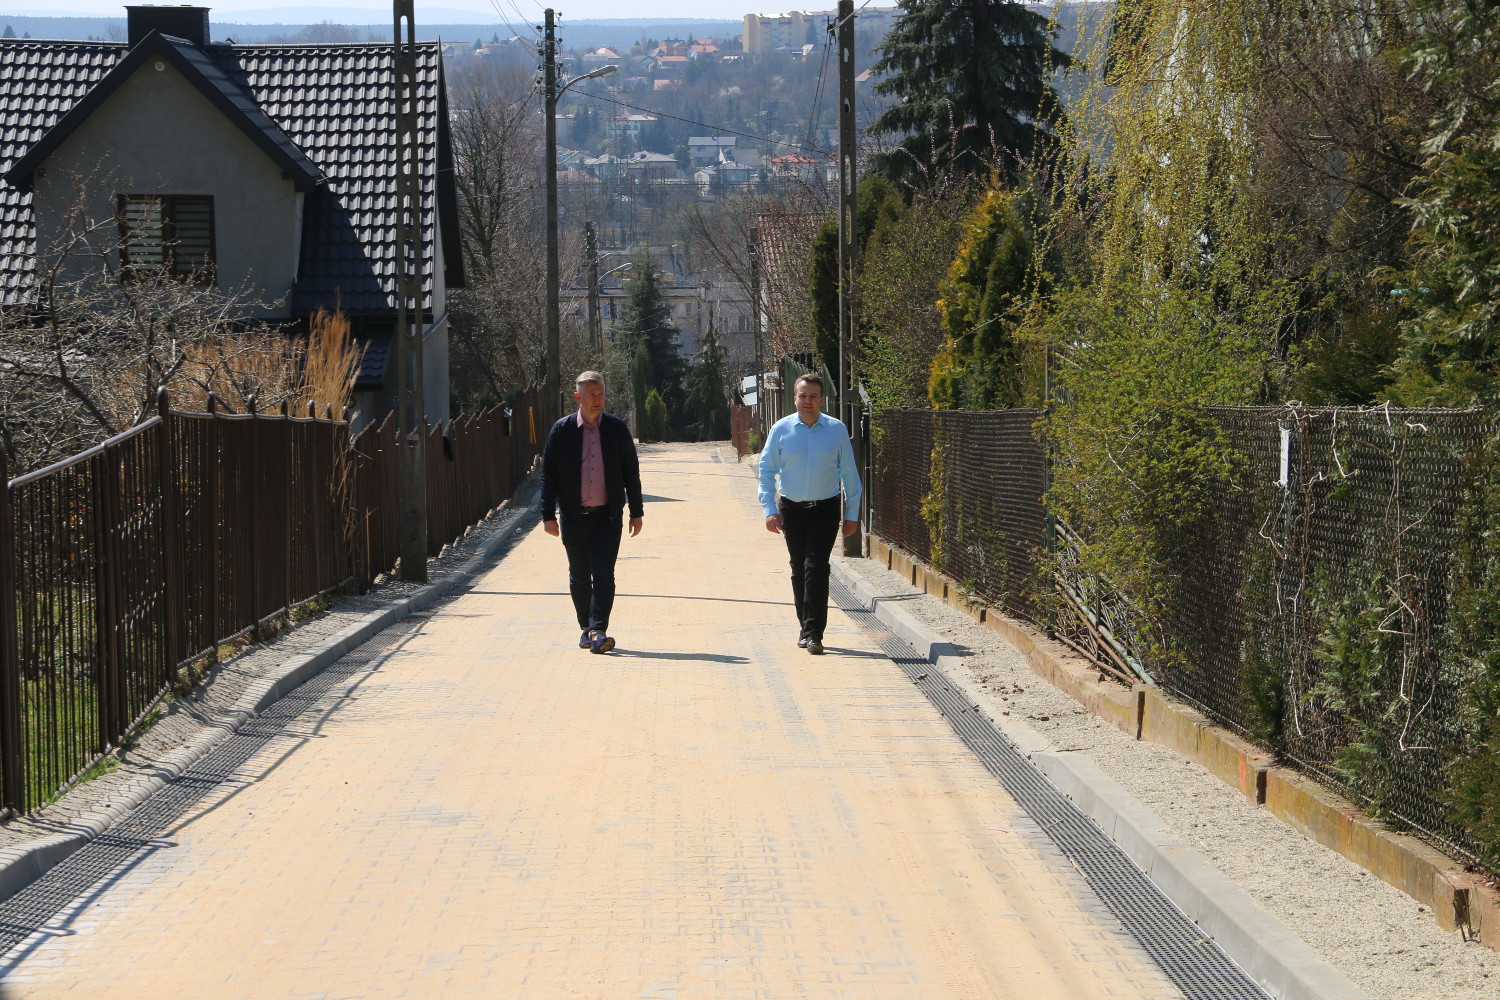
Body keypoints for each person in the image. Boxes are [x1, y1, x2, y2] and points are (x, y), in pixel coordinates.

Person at [757, 373, 861, 655]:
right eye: (803, 396)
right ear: (795, 399)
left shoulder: (836, 430)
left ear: (821, 400)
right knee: (798, 567)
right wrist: (769, 510)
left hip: (825, 508)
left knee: (816, 566)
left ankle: (815, 633)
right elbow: (766, 472)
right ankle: (805, 627)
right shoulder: (781, 430)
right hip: (791, 509)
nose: (808, 401)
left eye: (813, 396)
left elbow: (850, 475)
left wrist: (852, 515)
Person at [541, 371, 644, 653]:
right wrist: (548, 514)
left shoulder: (615, 429)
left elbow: (630, 472)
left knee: (604, 572)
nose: (597, 400)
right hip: (574, 515)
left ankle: (598, 628)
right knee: (579, 573)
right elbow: (549, 475)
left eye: (600, 395)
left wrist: (636, 510)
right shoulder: (562, 431)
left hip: (607, 516)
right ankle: (587, 628)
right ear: (578, 397)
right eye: (591, 395)